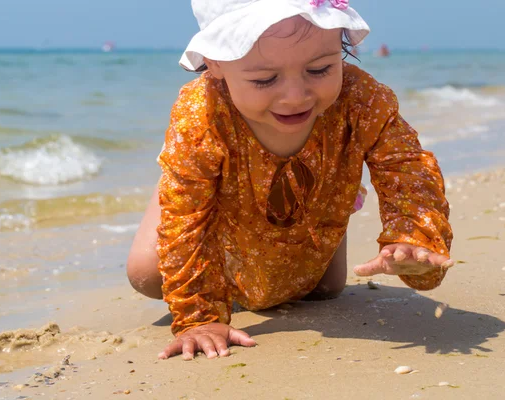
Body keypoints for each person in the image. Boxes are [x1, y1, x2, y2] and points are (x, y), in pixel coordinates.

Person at [126, 0, 454, 361]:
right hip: (213, 198)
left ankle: (322, 207)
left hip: (318, 185)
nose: (296, 96)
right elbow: (185, 221)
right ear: (216, 62)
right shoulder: (201, 114)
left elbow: (406, 168)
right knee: (147, 274)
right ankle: (174, 181)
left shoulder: (362, 100)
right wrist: (199, 317)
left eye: (320, 69)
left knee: (324, 290)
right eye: (265, 79)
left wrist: (413, 238)